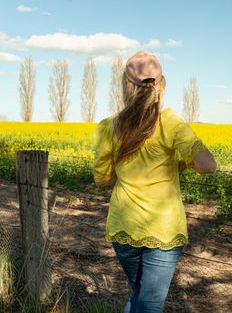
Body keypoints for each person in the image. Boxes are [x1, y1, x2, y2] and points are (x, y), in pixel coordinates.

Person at [92, 51, 216, 313]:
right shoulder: (169, 122)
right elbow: (208, 165)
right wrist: (181, 163)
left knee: (139, 294)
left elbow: (102, 180)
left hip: (124, 225)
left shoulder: (108, 128)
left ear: (126, 86)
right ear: (160, 85)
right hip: (163, 229)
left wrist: (126, 172)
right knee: (150, 304)